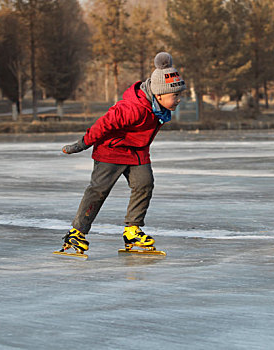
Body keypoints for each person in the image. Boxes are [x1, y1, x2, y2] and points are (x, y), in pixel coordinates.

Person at [59, 52, 186, 254]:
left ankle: (132, 230)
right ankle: (77, 233)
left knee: (144, 184)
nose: (179, 100)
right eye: (175, 95)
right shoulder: (132, 108)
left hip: (137, 152)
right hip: (112, 150)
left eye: (180, 95)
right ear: (160, 94)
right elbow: (103, 124)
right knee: (98, 190)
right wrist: (82, 144)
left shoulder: (158, 108)